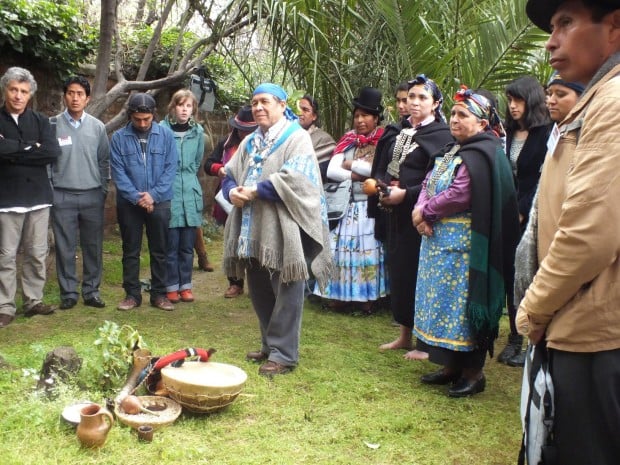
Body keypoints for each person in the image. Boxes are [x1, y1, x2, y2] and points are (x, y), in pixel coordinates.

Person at [516, 1, 620, 463]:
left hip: (595, 328)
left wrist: (534, 309)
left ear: (614, 27)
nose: (552, 40)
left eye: (566, 23)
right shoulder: (599, 98)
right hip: (580, 318)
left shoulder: (613, 102)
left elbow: (589, 235)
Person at [412, 86, 519, 397]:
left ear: (482, 123)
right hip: (437, 244)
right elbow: (428, 182)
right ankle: (450, 366)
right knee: (442, 302)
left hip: (465, 250)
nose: (454, 120)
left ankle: (473, 373)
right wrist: (420, 210)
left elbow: (460, 194)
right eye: (454, 114)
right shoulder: (450, 150)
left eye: (463, 115)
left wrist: (425, 212)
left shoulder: (485, 154)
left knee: (461, 308)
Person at [221, 82, 333, 376]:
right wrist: (232, 190)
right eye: (255, 102)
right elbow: (229, 173)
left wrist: (256, 190)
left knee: (287, 290)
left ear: (283, 105)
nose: (258, 107)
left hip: (284, 228)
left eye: (265, 102)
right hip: (253, 229)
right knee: (259, 289)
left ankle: (284, 354)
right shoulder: (250, 141)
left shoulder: (296, 138)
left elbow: (298, 179)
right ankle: (269, 346)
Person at [369, 75, 453, 359]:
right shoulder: (401, 131)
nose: (414, 103)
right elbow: (387, 167)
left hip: (421, 215)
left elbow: (439, 180)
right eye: (411, 97)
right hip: (395, 214)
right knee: (401, 273)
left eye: (422, 98)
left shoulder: (443, 136)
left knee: (421, 275)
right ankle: (405, 335)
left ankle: (425, 344)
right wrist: (381, 185)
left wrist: (406, 194)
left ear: (436, 104)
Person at [496, 75, 554, 368]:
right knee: (511, 276)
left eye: (518, 99)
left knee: (528, 275)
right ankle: (514, 339)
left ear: (531, 100)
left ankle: (530, 341)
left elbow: (543, 177)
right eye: (509, 100)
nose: (512, 106)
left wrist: (521, 209)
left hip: (534, 214)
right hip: (508, 213)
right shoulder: (508, 132)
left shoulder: (546, 132)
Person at [313, 87, 387, 313]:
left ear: (376, 119)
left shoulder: (383, 142)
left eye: (365, 116)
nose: (360, 120)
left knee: (368, 253)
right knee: (341, 253)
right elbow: (333, 171)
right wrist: (357, 174)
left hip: (370, 208)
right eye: (357, 116)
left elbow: (380, 170)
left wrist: (352, 165)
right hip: (347, 206)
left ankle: (367, 298)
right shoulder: (348, 141)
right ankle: (339, 296)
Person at [0, 67, 61, 328]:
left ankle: (33, 300)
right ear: (5, 90)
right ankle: (4, 306)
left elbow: (51, 152)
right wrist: (30, 148)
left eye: (23, 91)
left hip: (38, 197)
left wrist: (12, 151)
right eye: (14, 89)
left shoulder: (41, 121)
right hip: (7, 198)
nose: (18, 95)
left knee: (37, 252)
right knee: (6, 255)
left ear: (30, 95)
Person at [110, 93, 178, 311]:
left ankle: (159, 294)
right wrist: (138, 198)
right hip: (130, 203)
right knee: (130, 250)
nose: (141, 123)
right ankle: (132, 295)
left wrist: (153, 196)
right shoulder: (119, 138)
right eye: (137, 119)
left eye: (146, 119)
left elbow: (170, 168)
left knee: (160, 250)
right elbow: (118, 172)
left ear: (153, 115)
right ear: (130, 115)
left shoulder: (166, 135)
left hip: (160, 202)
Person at [50, 76, 110, 310]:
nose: (75, 98)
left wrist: (102, 190)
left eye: (80, 94)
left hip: (92, 195)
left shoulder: (97, 127)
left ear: (87, 99)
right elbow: (46, 162)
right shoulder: (52, 125)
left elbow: (104, 161)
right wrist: (52, 190)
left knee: (93, 246)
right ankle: (68, 293)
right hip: (62, 195)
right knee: (65, 247)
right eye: (70, 93)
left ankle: (91, 291)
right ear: (64, 96)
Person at [204, 105, 258, 298]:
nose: (244, 133)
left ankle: (257, 282)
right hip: (230, 199)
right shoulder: (226, 144)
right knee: (233, 241)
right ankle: (235, 282)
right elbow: (208, 164)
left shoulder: (264, 145)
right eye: (241, 129)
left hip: (255, 199)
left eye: (248, 130)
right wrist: (219, 168)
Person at [160, 89, 204, 304]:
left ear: (193, 109)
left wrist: (187, 178)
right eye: (181, 105)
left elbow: (197, 162)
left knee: (187, 245)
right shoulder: (161, 129)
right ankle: (170, 286)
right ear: (173, 107)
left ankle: (185, 286)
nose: (185, 110)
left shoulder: (198, 131)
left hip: (190, 192)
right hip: (169, 192)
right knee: (171, 245)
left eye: (188, 106)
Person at [296, 94, 336, 182]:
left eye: (305, 110)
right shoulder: (287, 135)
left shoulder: (323, 139)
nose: (299, 113)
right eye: (297, 109)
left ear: (314, 116)